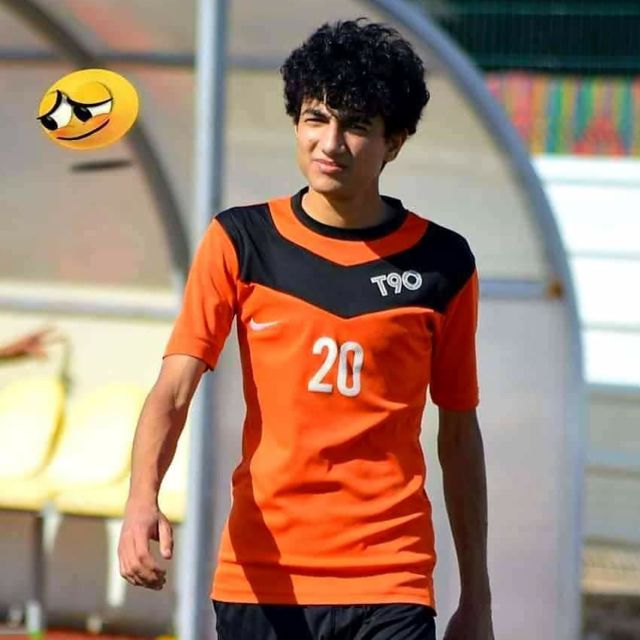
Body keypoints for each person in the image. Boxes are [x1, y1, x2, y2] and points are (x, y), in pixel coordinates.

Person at [118, 18, 494, 640]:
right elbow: (174, 390)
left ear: (395, 142)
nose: (331, 143)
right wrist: (141, 502)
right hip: (262, 579)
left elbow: (458, 433)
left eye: (357, 125)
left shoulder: (443, 262)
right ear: (296, 122)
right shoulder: (240, 241)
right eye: (316, 118)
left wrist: (477, 597)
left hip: (390, 580)